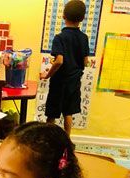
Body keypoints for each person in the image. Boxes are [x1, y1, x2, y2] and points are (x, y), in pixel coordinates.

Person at [40, 0, 89, 137]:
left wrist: (47, 75)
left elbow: (59, 61)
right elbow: (85, 61)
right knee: (68, 112)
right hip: (74, 82)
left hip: (59, 82)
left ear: (63, 16)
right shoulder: (84, 38)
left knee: (52, 113)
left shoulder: (59, 38)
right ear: (82, 19)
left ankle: (49, 139)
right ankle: (67, 139)